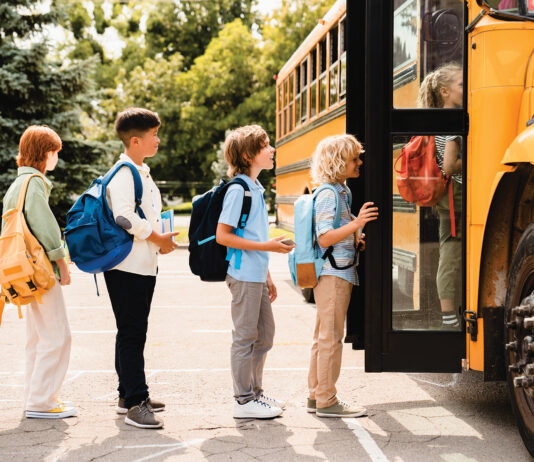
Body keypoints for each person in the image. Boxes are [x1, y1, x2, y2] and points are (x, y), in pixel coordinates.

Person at [105, 108, 178, 429]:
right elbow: (123, 216)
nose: (158, 140)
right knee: (132, 333)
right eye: (153, 136)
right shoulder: (124, 174)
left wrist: (159, 238)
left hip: (140, 265)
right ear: (135, 140)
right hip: (127, 267)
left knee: (132, 332)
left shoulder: (140, 170)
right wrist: (157, 236)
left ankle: (128, 395)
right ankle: (136, 401)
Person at [216, 125, 294, 419]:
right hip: (243, 276)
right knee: (245, 337)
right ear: (249, 155)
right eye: (265, 146)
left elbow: (253, 235)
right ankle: (243, 400)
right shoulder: (239, 190)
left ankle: (255, 394)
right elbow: (223, 235)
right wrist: (267, 247)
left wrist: (268, 275)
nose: (271, 149)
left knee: (265, 337)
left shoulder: (254, 188)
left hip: (257, 275)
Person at [2, 126, 76, 419]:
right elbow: (46, 229)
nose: (57, 156)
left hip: (21, 271)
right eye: (55, 151)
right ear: (45, 153)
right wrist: (61, 263)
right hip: (39, 270)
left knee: (37, 336)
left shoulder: (16, 185)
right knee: (58, 334)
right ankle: (43, 402)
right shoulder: (35, 183)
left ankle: (35, 397)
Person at [307, 134, 378, 418]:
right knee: (331, 338)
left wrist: (356, 238)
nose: (360, 162)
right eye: (354, 158)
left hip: (337, 271)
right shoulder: (328, 194)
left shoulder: (341, 192)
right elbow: (324, 238)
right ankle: (327, 400)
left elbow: (337, 233)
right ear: (338, 162)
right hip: (333, 274)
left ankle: (316, 395)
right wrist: (358, 224)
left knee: (323, 336)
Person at [418, 63, 463, 329]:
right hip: (456, 195)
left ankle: (449, 313)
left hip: (448, 197)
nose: (465, 89)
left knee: (450, 251)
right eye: (460, 85)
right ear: (445, 92)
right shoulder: (452, 121)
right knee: (451, 253)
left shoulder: (440, 118)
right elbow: (449, 165)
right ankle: (449, 317)